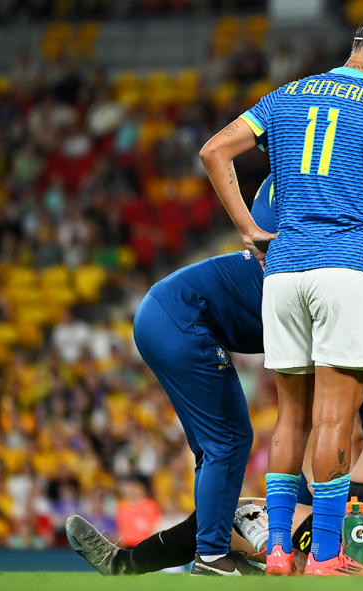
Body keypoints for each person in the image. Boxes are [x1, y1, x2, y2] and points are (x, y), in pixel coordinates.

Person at [199, 0, 363, 576]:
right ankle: (328, 555)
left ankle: (279, 549)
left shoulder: (286, 95)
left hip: (282, 270)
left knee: (291, 417)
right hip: (347, 269)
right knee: (337, 417)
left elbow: (214, 151)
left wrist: (249, 228)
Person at [68, 175, 281, 576]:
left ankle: (196, 555)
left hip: (166, 311)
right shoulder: (311, 280)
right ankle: (213, 556)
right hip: (182, 316)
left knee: (216, 446)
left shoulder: (294, 263)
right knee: (229, 440)